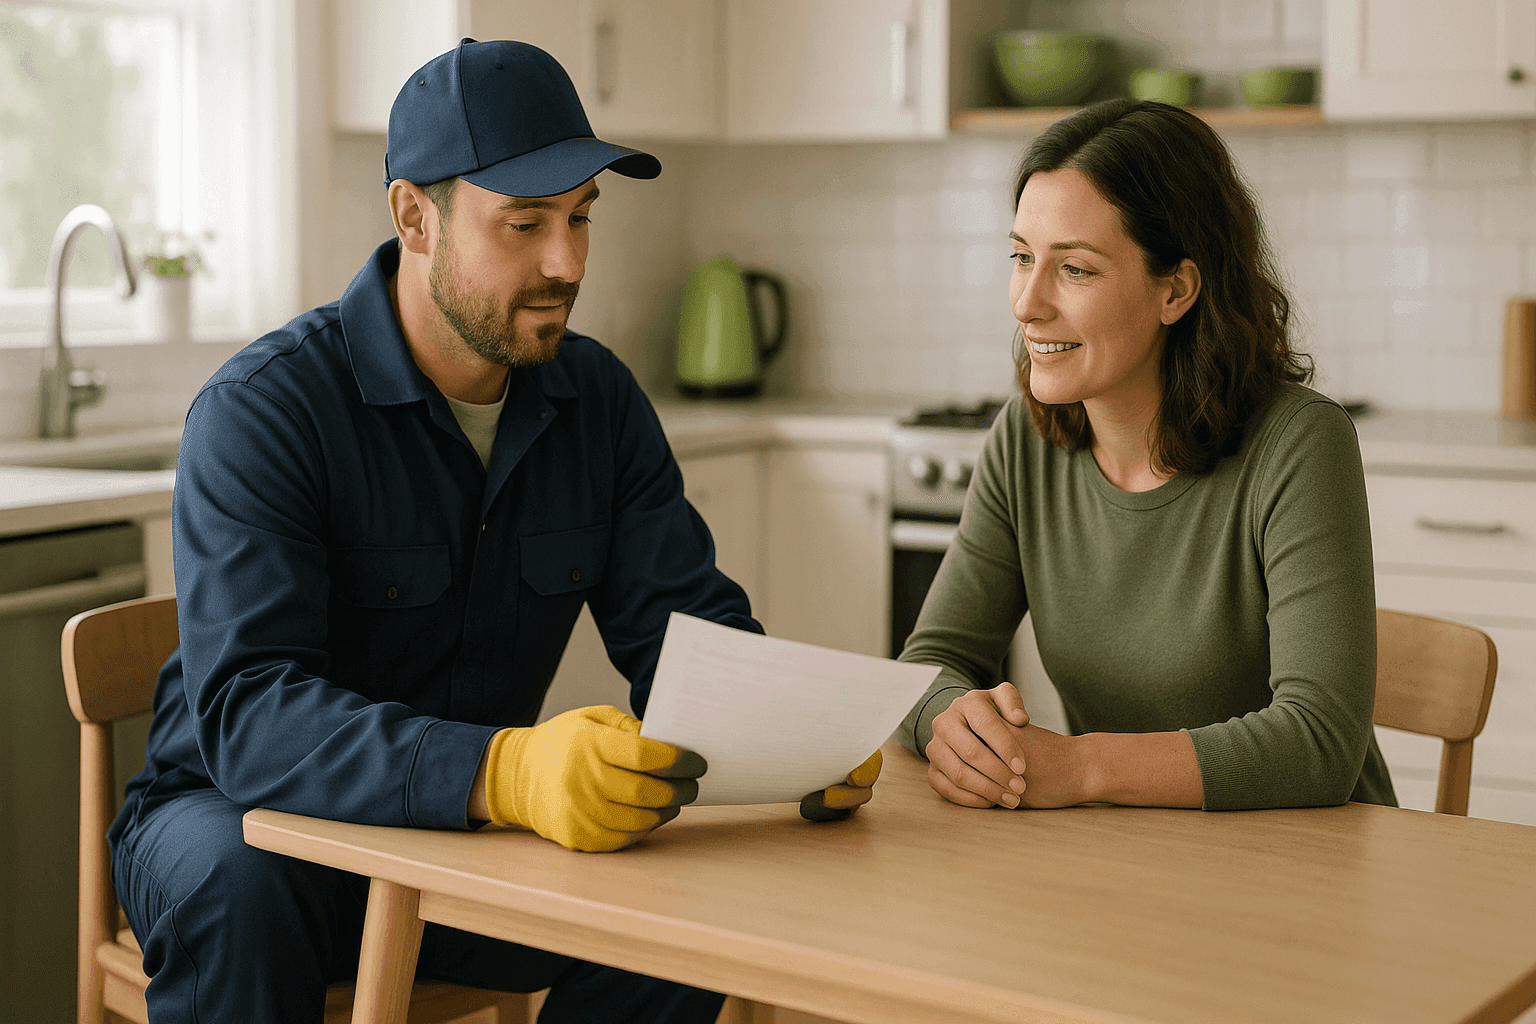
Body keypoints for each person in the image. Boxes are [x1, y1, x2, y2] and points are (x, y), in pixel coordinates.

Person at [109, 39, 878, 1024]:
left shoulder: (598, 402)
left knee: (687, 908)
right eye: (524, 224)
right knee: (237, 883)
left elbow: (691, 641)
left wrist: (791, 729)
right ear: (413, 216)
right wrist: (504, 769)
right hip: (239, 820)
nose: (566, 262)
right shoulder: (265, 410)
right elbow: (251, 716)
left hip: (459, 842)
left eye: (580, 218)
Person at [897, 98, 1395, 814]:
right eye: (1021, 257)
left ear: (1177, 289)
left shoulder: (1298, 445)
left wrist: (1080, 766)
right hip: (1130, 858)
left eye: (1075, 270)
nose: (1026, 304)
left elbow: (1318, 744)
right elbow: (929, 662)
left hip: (1313, 868)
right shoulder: (1025, 440)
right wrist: (951, 722)